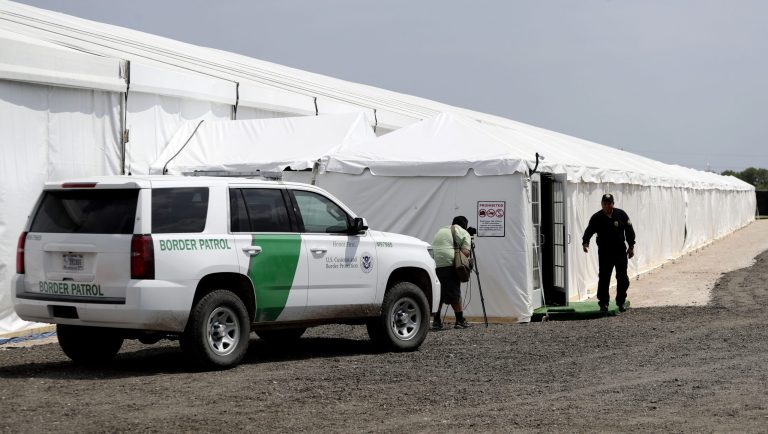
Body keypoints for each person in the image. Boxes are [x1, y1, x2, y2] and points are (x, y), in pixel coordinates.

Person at [581, 193, 636, 313]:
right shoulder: (597, 217)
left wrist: (631, 246)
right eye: (605, 203)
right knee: (604, 278)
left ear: (613, 204)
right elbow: (589, 231)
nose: (607, 205)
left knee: (622, 279)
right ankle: (604, 303)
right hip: (605, 253)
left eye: (609, 203)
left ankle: (621, 302)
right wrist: (585, 243)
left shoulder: (621, 214)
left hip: (620, 252)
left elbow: (629, 230)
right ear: (602, 204)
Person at [431, 216, 472, 329]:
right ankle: (460, 321)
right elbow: (465, 253)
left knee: (439, 293)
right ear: (465, 225)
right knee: (454, 292)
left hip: (434, 263)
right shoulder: (464, 232)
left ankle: (436, 321)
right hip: (449, 263)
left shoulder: (442, 230)